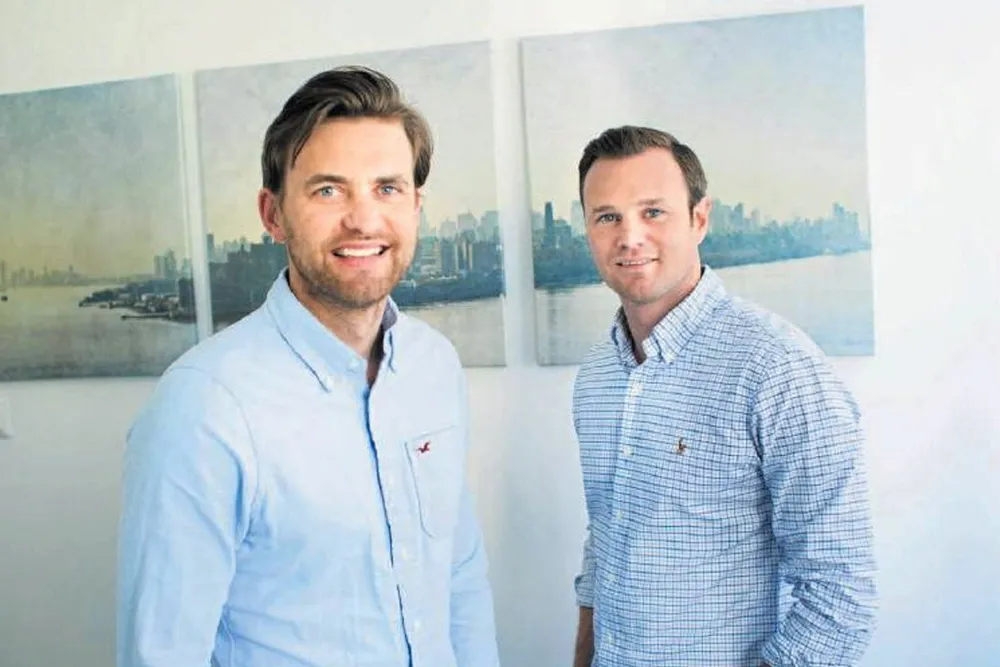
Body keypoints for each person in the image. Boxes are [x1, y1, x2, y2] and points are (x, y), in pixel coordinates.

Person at [116, 65, 499, 667]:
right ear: (273, 214)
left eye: (387, 188)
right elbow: (162, 652)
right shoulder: (203, 407)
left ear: (416, 207)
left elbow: (458, 573)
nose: (363, 220)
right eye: (328, 190)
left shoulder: (435, 366)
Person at [570, 125, 877, 667]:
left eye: (653, 211)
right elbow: (605, 544)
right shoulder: (597, 374)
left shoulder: (778, 367)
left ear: (700, 219)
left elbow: (841, 591)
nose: (630, 237)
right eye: (607, 217)